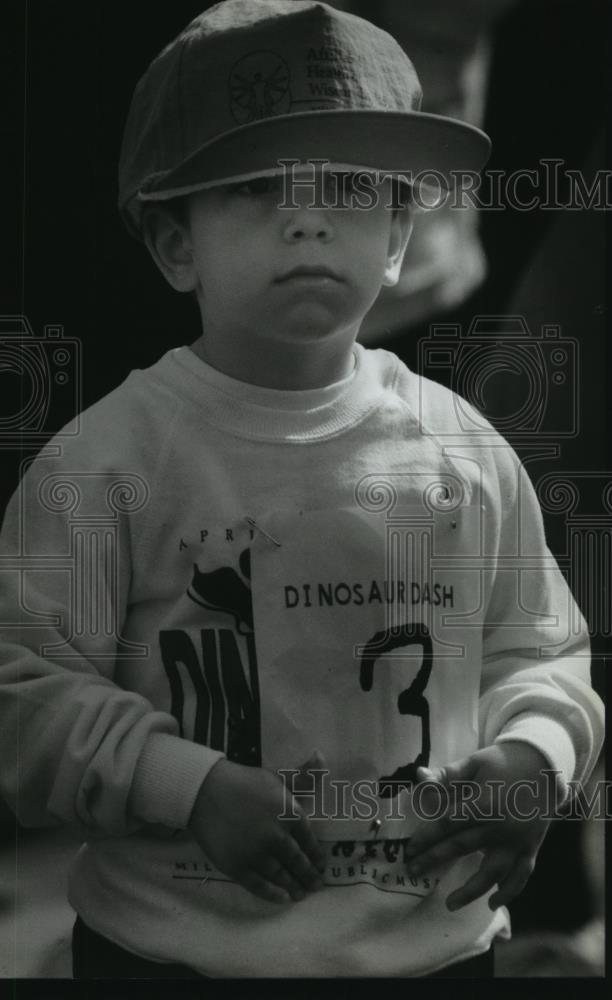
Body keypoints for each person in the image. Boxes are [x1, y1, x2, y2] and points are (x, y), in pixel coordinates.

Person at [0, 0, 603, 981]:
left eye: (352, 186)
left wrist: (533, 760)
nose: (310, 213)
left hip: (436, 954)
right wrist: (184, 785)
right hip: (170, 956)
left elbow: (541, 650)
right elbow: (19, 688)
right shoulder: (105, 462)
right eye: (255, 186)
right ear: (173, 243)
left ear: (401, 236)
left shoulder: (464, 450)